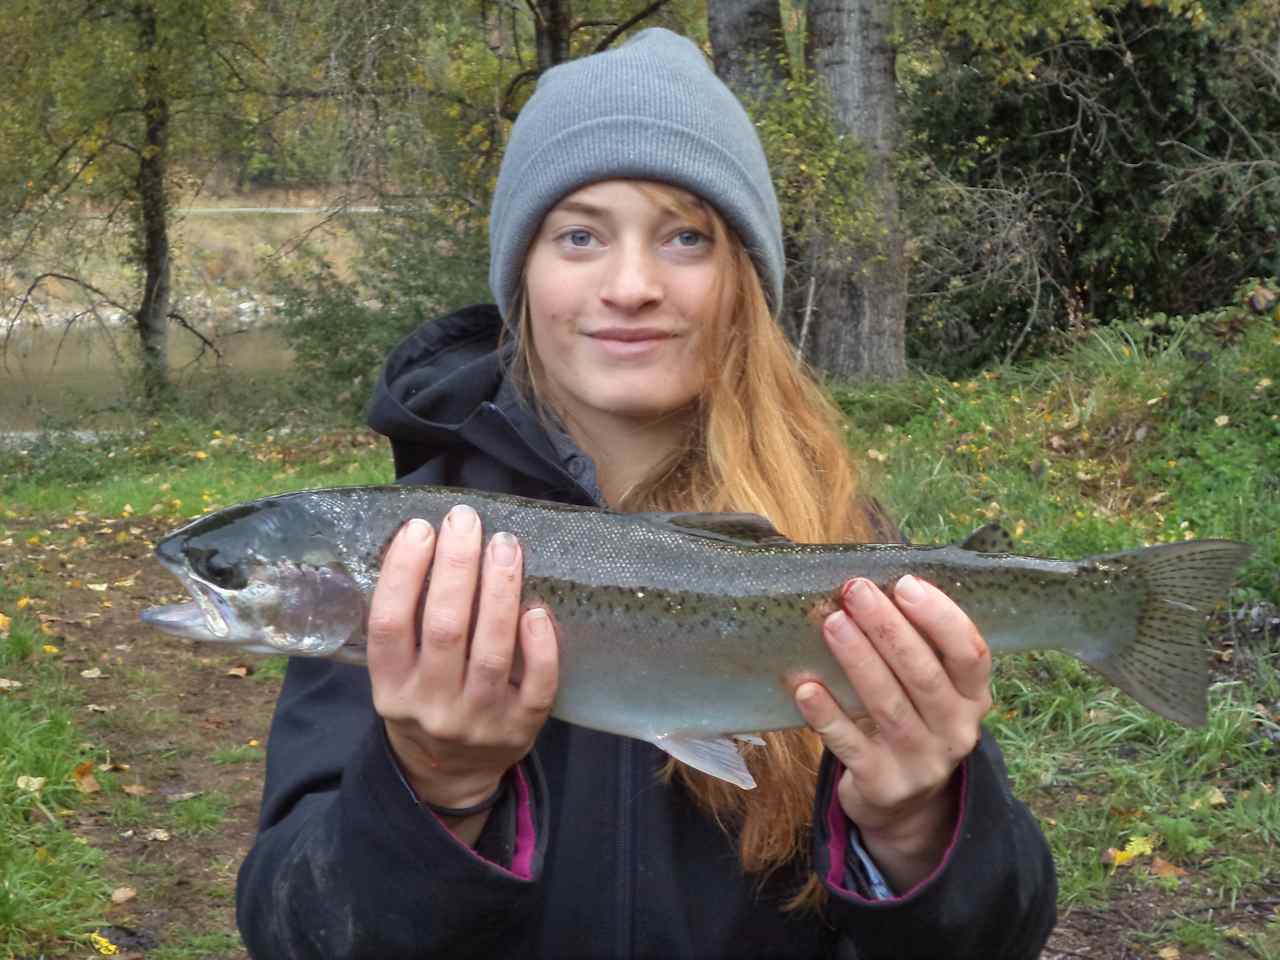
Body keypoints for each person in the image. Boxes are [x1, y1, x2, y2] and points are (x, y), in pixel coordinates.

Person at [236, 28, 1056, 959]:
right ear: (523, 275)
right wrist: (432, 791)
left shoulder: (839, 548)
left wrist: (918, 829)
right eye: (579, 235)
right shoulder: (415, 554)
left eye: (685, 237)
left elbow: (1002, 933)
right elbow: (294, 931)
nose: (630, 285)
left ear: (742, 282)